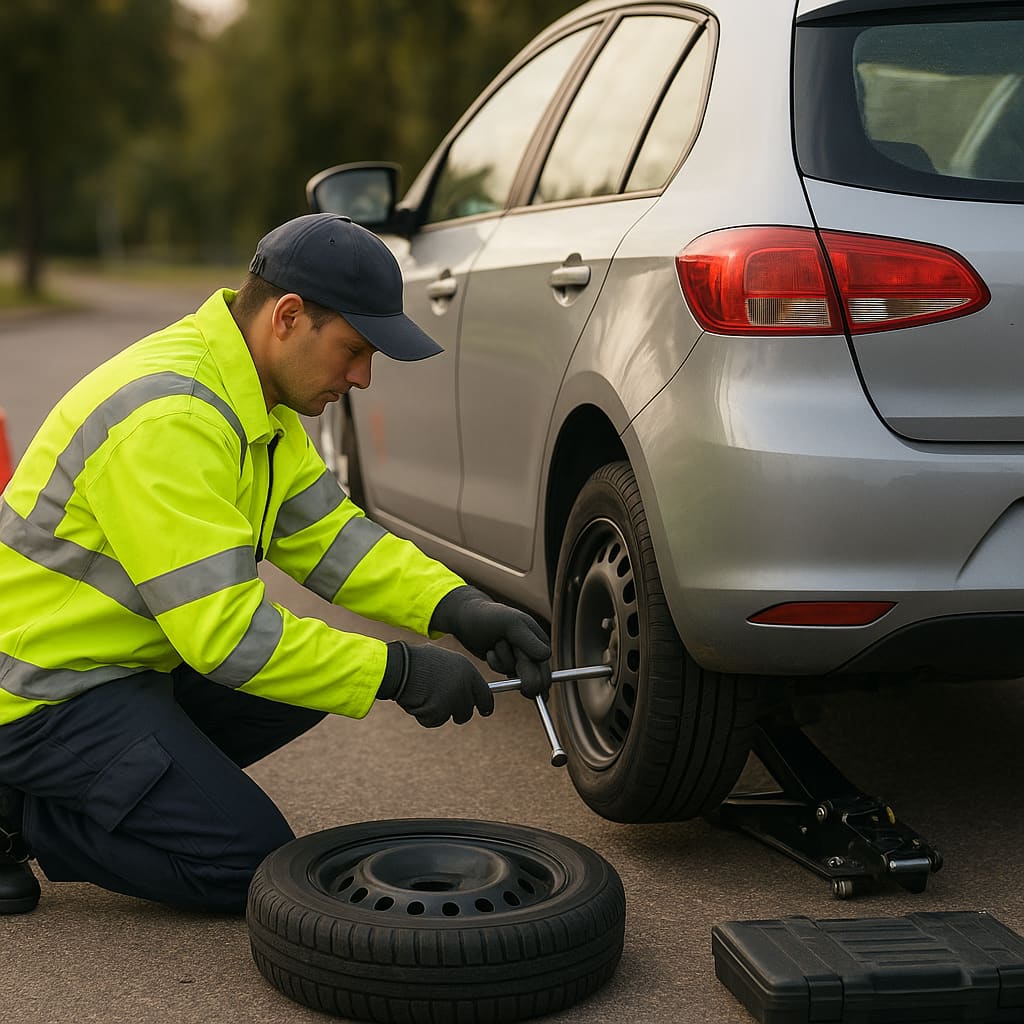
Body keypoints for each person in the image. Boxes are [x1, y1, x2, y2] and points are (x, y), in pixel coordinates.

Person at [0, 213, 552, 915]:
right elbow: (227, 639)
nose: (363, 377)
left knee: (306, 686)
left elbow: (333, 539)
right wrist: (399, 671)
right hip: (44, 690)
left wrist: (457, 606)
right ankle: (17, 807)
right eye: (354, 350)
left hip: (133, 666)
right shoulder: (172, 417)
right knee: (244, 866)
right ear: (288, 317)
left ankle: (104, 783)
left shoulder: (254, 400)